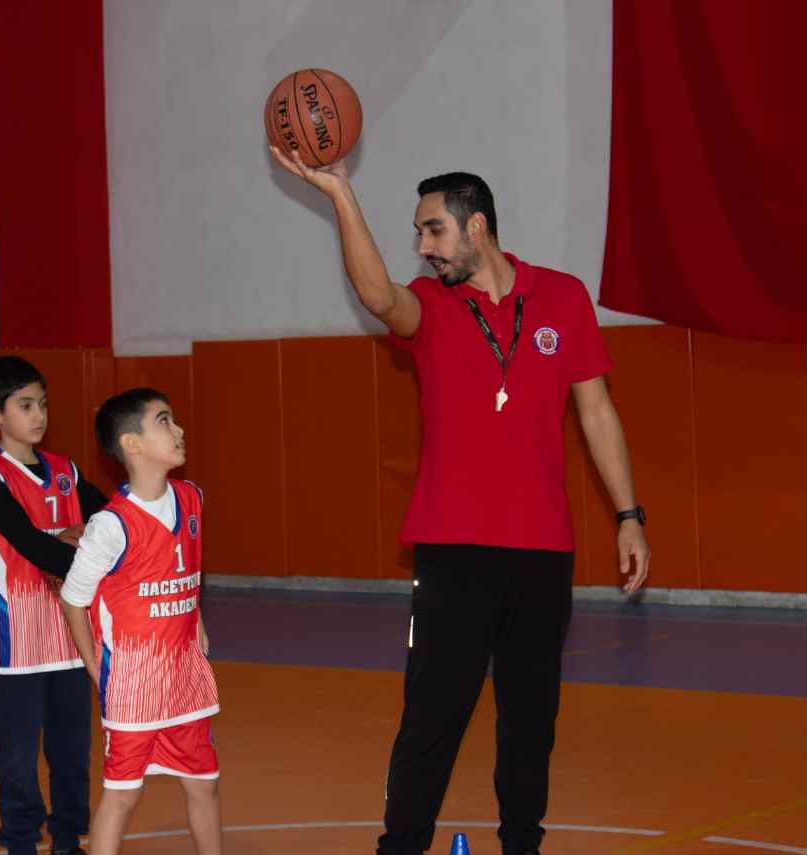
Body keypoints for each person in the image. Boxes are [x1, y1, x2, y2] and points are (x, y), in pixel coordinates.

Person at [269, 148, 652, 855]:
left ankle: (521, 846)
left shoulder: (563, 298)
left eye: (434, 230)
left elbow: (596, 412)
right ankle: (402, 845)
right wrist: (339, 197)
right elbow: (379, 294)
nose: (424, 246)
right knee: (432, 718)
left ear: (477, 226)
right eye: (418, 233)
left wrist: (629, 514)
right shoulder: (435, 309)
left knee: (531, 720)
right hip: (453, 552)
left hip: (543, 552)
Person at [59, 388, 222, 855]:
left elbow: (186, 569)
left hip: (186, 676)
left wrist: (198, 619)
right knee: (123, 796)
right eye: (165, 421)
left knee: (204, 786)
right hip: (133, 684)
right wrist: (95, 667)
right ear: (131, 443)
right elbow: (74, 599)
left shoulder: (192, 499)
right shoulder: (111, 525)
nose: (180, 429)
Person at [0, 356, 108, 855]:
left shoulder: (67, 470)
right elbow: (26, 541)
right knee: (18, 756)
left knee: (73, 753)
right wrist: (76, 548)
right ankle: (21, 840)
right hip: (18, 644)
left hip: (72, 639)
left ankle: (70, 837)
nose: (39, 415)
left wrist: (80, 543)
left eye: (43, 404)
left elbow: (112, 519)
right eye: (25, 405)